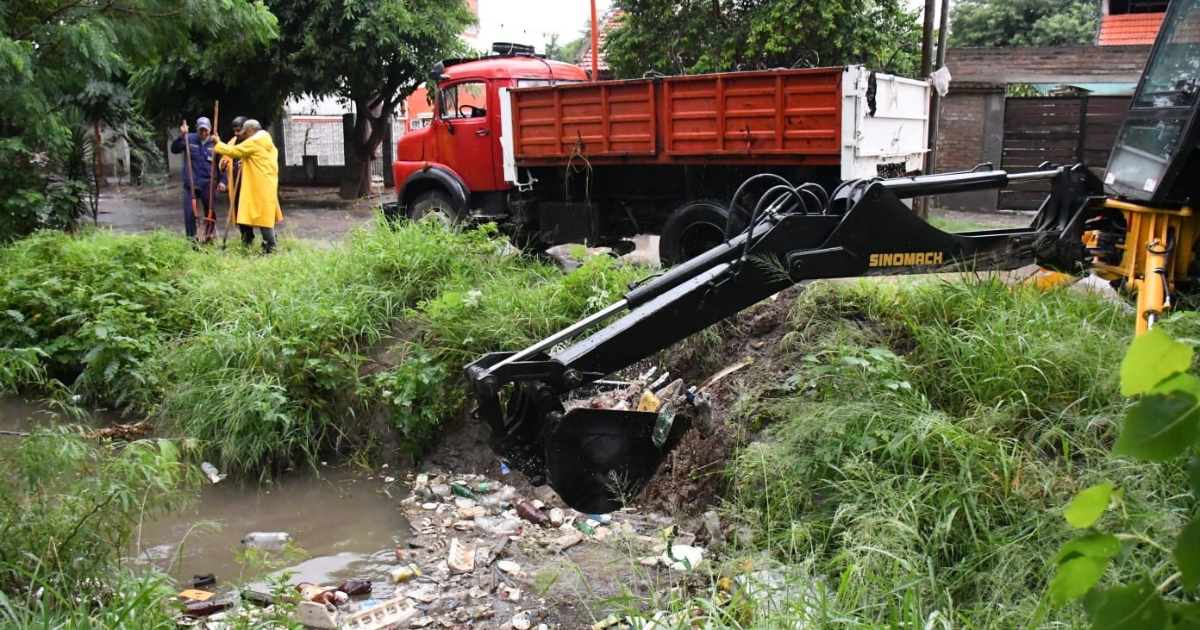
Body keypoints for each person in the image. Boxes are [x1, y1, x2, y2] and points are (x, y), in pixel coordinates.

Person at [214, 119, 282, 253]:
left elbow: (234, 152)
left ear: (250, 131)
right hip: (267, 182)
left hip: (257, 184)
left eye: (245, 132)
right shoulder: (268, 141)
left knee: (263, 217)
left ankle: (271, 246)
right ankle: (267, 243)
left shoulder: (254, 141)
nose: (243, 135)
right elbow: (259, 160)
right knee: (265, 215)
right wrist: (245, 163)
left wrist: (217, 143)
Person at [170, 117, 227, 241]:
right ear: (196, 128)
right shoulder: (188, 138)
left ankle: (209, 236)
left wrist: (223, 181)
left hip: (208, 182)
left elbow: (222, 163)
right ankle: (192, 238)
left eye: (206, 130)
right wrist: (181, 136)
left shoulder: (215, 142)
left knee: (210, 211)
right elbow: (174, 150)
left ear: (210, 129)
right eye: (201, 130)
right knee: (190, 212)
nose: (203, 133)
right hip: (191, 183)